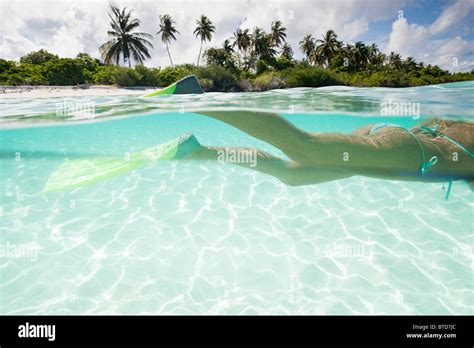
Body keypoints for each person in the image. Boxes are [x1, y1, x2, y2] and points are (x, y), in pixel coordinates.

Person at [182, 111, 474, 196]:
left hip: (394, 138)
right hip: (410, 154)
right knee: (302, 146)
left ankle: (200, 152)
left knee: (291, 175)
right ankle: (194, 99)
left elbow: (433, 127)